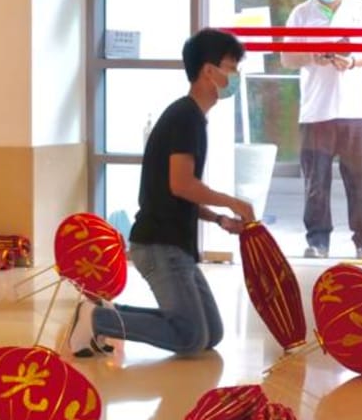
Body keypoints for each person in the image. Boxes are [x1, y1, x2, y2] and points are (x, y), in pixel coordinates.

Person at [68, 28, 256, 358]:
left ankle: (106, 313)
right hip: (160, 245)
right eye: (231, 67)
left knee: (211, 333)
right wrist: (234, 202)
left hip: (175, 244)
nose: (235, 76)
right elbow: (181, 184)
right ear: (208, 71)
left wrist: (218, 218)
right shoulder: (186, 118)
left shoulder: (191, 117)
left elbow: (180, 192)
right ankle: (96, 320)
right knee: (190, 337)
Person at [282, 0, 362, 259]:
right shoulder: (301, 13)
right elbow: (287, 58)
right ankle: (317, 241)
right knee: (316, 181)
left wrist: (353, 61)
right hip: (316, 110)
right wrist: (311, 56)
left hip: (356, 109)